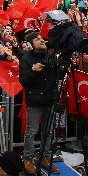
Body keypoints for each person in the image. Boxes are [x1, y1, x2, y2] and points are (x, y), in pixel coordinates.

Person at [17, 32, 58, 165]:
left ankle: (45, 156)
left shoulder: (51, 56)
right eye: (37, 39)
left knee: (48, 131)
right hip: (34, 101)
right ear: (30, 44)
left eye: (42, 38)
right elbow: (23, 81)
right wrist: (33, 71)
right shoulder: (26, 59)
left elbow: (58, 75)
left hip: (49, 99)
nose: (42, 40)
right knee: (31, 131)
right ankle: (28, 158)